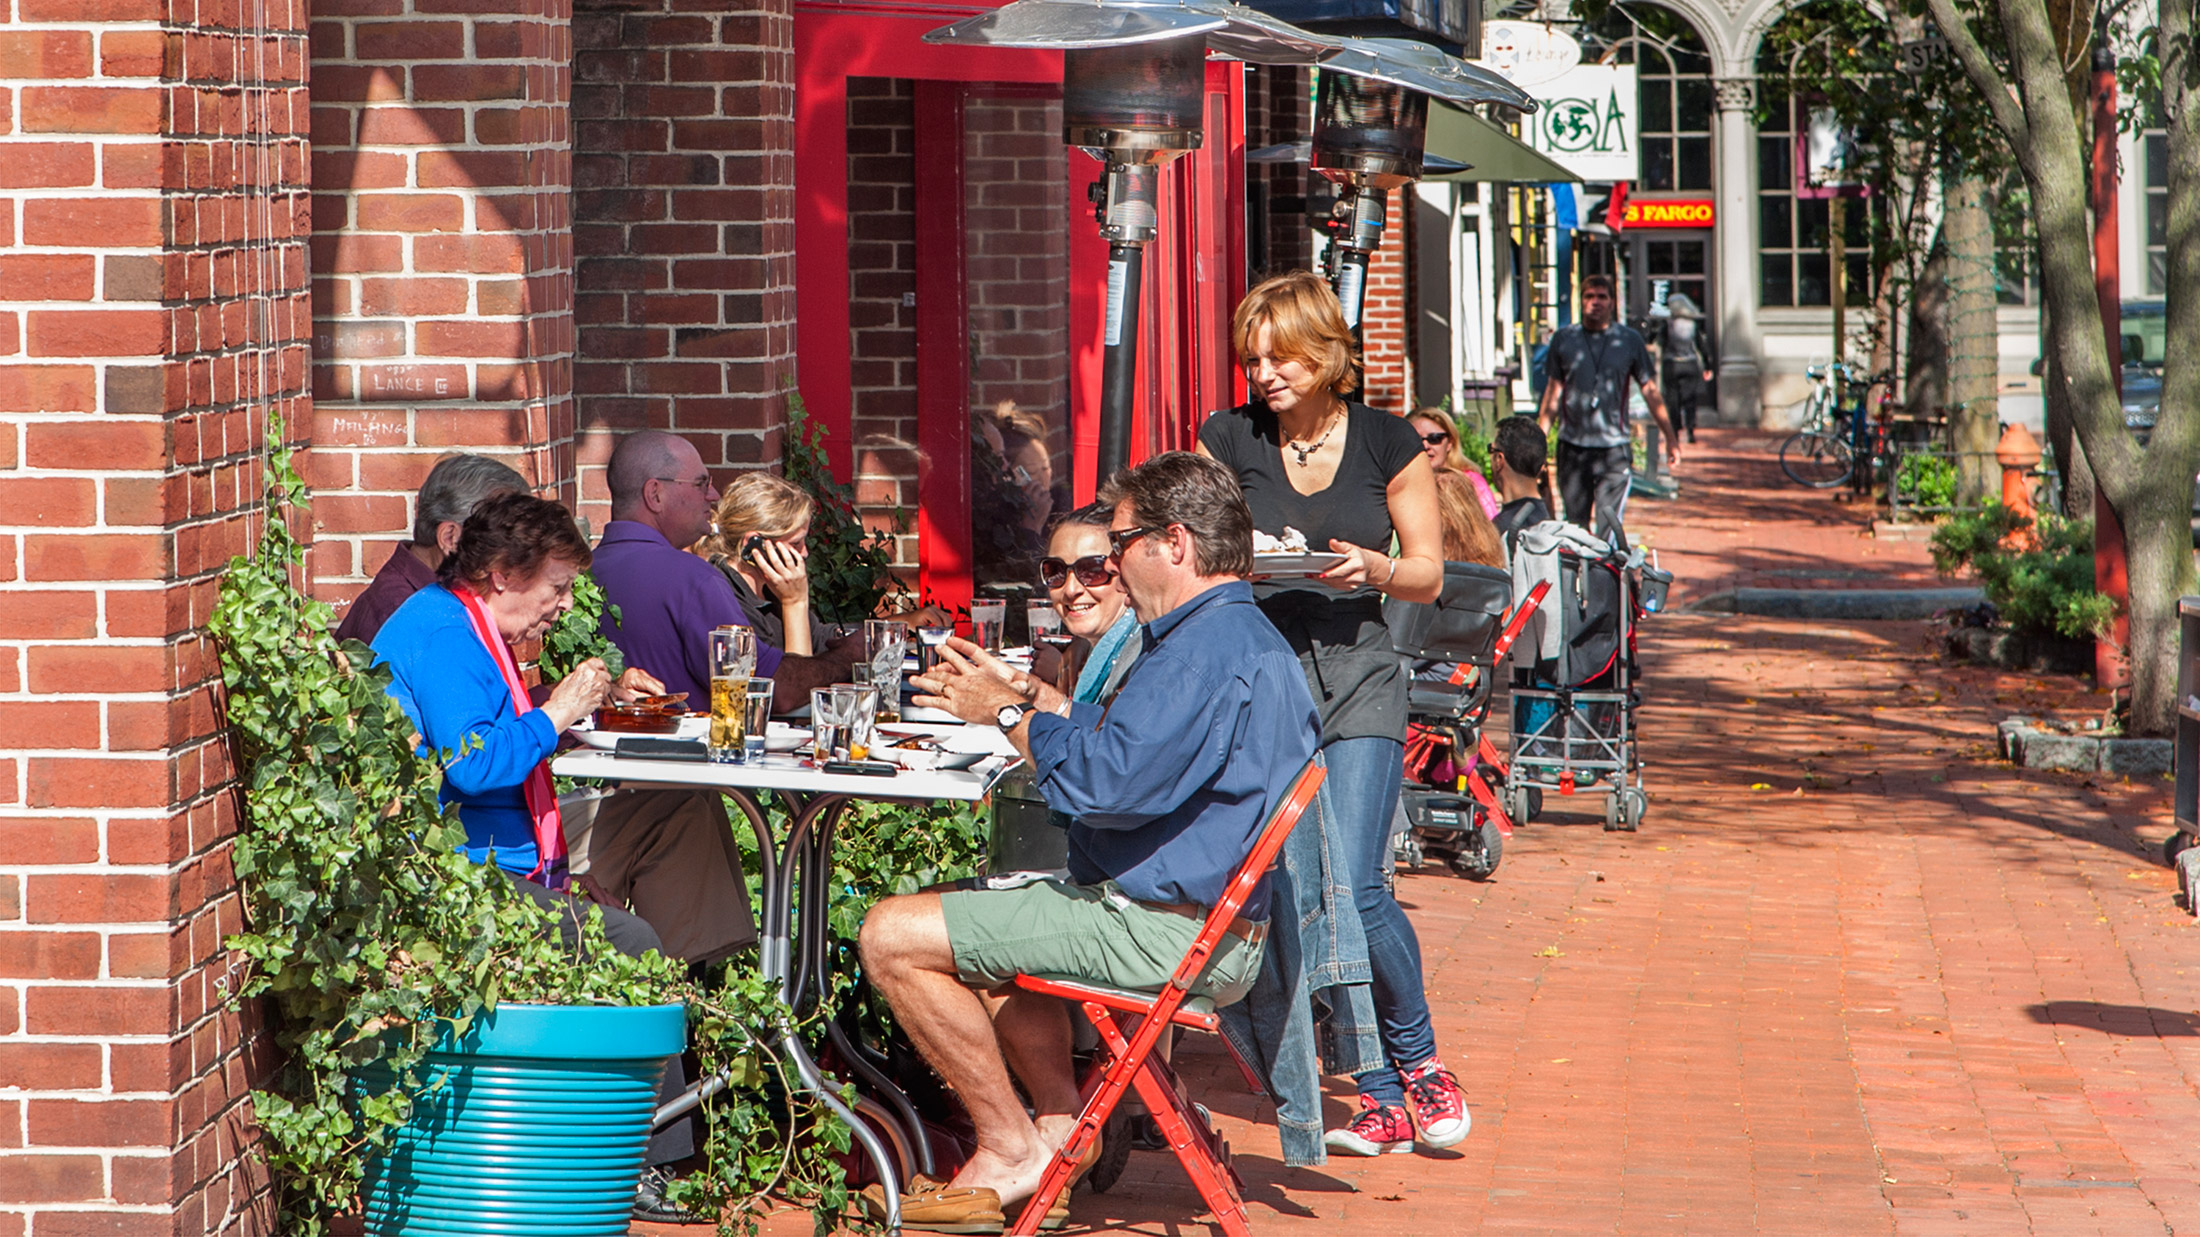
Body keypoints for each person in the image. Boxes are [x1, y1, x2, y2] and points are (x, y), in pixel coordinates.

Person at [858, 452, 1320, 1230]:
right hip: (1203, 924)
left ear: (1174, 542)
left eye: (1121, 544)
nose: (1113, 564)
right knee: (984, 916)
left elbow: (1101, 784)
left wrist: (1006, 716)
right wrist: (1030, 698)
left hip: (1163, 928)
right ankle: (1057, 1131)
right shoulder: (1235, 635)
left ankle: (1010, 1148)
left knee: (891, 934)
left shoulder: (1200, 650)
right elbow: (1135, 752)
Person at [370, 491, 755, 1224]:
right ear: (503, 575)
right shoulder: (442, 631)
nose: (565, 604)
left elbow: (495, 735)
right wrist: (558, 710)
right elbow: (476, 763)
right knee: (631, 939)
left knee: (678, 810)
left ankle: (696, 1018)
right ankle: (652, 1152)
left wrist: (583, 709)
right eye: (557, 586)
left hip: (517, 849)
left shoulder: (472, 625)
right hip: (459, 873)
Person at [1195, 269, 1472, 1157]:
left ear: (1324, 354)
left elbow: (1427, 570)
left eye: (1280, 357)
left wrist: (1376, 568)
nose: (1264, 374)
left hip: (1358, 670)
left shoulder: (1388, 440)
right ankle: (1379, 1093)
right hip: (1266, 679)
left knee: (1355, 883)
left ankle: (1420, 1063)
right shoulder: (1227, 436)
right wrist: (1239, 557)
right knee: (1304, 891)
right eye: (1253, 359)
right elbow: (1194, 549)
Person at [588, 431, 861, 714]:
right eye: (701, 484)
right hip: (690, 741)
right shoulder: (693, 578)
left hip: (603, 740)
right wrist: (849, 656)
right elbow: (772, 689)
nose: (713, 495)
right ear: (655, 494)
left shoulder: (581, 577)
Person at [1537, 273, 1681, 546]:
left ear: (1612, 302)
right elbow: (1553, 394)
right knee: (1574, 527)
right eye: (1589, 296)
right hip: (1573, 448)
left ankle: (1605, 572)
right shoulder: (1564, 339)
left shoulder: (1628, 340)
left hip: (1613, 449)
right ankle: (1577, 574)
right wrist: (1538, 443)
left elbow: (1650, 391)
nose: (1596, 302)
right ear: (1581, 301)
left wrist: (1670, 439)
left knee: (1609, 528)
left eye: (1602, 296)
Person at [334, 453, 527, 645]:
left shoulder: (436, 599)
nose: (517, 554)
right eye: (503, 538)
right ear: (450, 538)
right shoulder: (401, 612)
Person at [706, 472, 831, 657]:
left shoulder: (772, 589)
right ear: (755, 544)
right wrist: (795, 603)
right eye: (796, 543)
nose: (805, 552)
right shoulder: (727, 602)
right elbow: (796, 673)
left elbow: (818, 638)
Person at [1407, 408, 1500, 520]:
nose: (1425, 446)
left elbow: (1490, 523)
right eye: (1416, 439)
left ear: (1450, 443)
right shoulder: (1401, 484)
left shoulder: (1471, 482)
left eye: (1435, 438)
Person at [1657, 292, 1714, 443]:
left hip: (1672, 364)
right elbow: (1702, 346)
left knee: (1673, 400)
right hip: (1689, 364)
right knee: (1690, 399)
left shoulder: (1668, 325)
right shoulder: (1692, 325)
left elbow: (1660, 343)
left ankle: (1675, 430)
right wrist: (1708, 366)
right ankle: (1690, 429)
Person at [1489, 415, 1554, 546]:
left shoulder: (1494, 534)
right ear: (1541, 467)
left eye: (1491, 449)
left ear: (1499, 460)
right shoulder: (1551, 526)